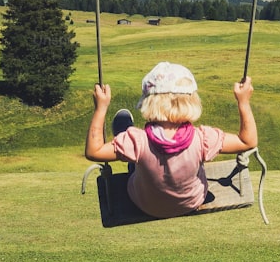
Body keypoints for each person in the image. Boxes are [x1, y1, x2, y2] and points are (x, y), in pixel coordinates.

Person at [84, 61, 258, 219]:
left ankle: (123, 136)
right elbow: (247, 142)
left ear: (148, 101)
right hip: (191, 202)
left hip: (146, 205)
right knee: (194, 157)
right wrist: (243, 102)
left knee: (135, 158)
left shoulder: (138, 141)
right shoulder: (203, 138)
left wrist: (101, 108)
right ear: (193, 100)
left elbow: (94, 152)